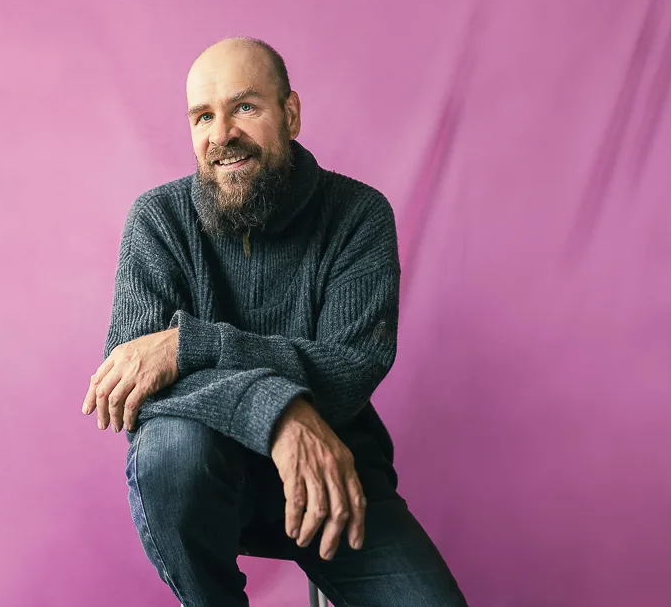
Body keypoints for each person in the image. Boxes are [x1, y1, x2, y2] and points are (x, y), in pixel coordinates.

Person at [81, 37, 467, 606]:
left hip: (334, 470)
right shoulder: (157, 221)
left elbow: (349, 369)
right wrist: (281, 414)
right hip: (209, 478)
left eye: (244, 107)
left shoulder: (358, 214)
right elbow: (135, 387)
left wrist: (189, 347)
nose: (221, 135)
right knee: (170, 449)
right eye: (202, 116)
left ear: (291, 114)